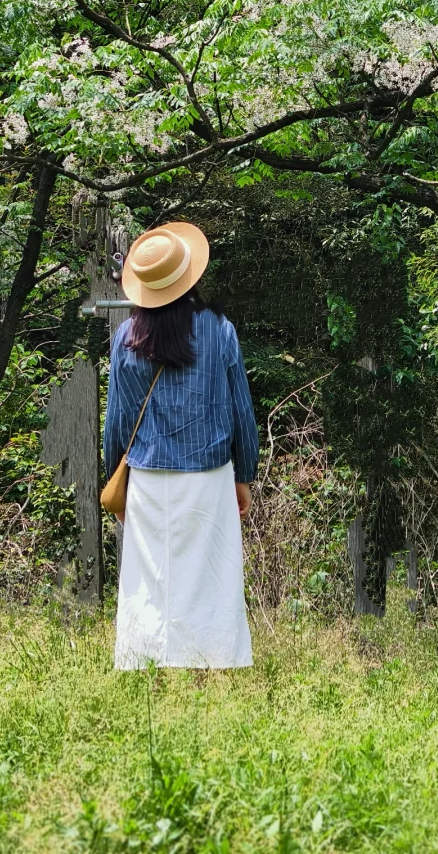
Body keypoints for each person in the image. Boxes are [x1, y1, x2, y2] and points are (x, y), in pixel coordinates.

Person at [103, 221, 258, 670]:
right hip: (208, 478)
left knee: (150, 584)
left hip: (149, 481)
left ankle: (148, 667)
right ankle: (209, 669)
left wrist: (117, 479)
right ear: (188, 275)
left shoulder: (126, 338)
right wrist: (243, 476)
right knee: (210, 580)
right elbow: (240, 412)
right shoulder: (219, 330)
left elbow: (118, 420)